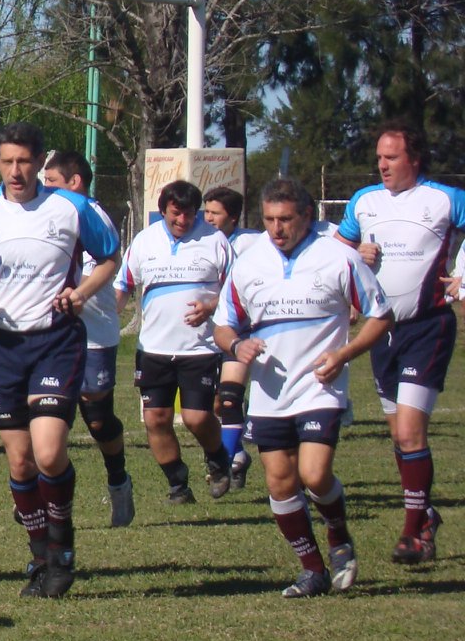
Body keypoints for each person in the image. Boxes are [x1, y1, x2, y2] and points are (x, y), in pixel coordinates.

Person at [0, 123, 121, 598]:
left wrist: (80, 292)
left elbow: (110, 258)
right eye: (7, 161)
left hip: (55, 341)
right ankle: (40, 553)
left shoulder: (71, 208)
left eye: (24, 161)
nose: (15, 171)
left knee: (47, 452)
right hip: (1, 345)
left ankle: (62, 546)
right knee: (19, 463)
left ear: (39, 162)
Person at [215, 178, 392, 596]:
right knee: (279, 482)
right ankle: (312, 570)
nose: (277, 228)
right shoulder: (248, 262)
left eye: (286, 219)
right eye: (270, 219)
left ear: (307, 217)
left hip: (319, 385)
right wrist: (239, 345)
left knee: (314, 474)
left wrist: (342, 356)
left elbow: (380, 315)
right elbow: (223, 325)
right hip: (270, 391)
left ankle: (339, 535)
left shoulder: (338, 257)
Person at [332, 120, 465, 564]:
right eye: (379, 157)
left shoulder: (445, 199)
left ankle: (414, 533)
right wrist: (355, 255)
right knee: (399, 436)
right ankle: (424, 512)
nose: (382, 164)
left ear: (414, 158)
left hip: (428, 326)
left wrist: (463, 276)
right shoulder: (364, 202)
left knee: (410, 431)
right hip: (381, 331)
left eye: (391, 156)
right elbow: (336, 252)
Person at [117, 179, 236, 503]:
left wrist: (211, 306)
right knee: (156, 418)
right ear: (163, 210)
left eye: (189, 214)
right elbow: (123, 285)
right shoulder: (144, 241)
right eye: (176, 214)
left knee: (197, 416)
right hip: (153, 349)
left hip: (200, 348)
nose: (183, 220)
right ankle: (178, 484)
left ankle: (218, 458)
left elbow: (238, 289)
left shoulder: (215, 241)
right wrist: (107, 322)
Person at [42, 151, 135, 528]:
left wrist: (77, 293)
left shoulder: (91, 216)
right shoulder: (42, 213)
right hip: (50, 336)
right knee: (47, 415)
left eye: (51, 182)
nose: (43, 189)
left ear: (74, 182)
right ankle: (38, 492)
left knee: (97, 419)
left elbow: (107, 264)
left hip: (94, 334)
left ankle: (119, 481)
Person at [200, 185, 259, 489]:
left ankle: (230, 460)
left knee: (229, 396)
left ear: (233, 217)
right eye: (206, 211)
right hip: (206, 336)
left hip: (241, 332)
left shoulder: (254, 243)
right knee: (212, 404)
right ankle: (238, 454)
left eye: (215, 213)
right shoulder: (201, 241)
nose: (208, 218)